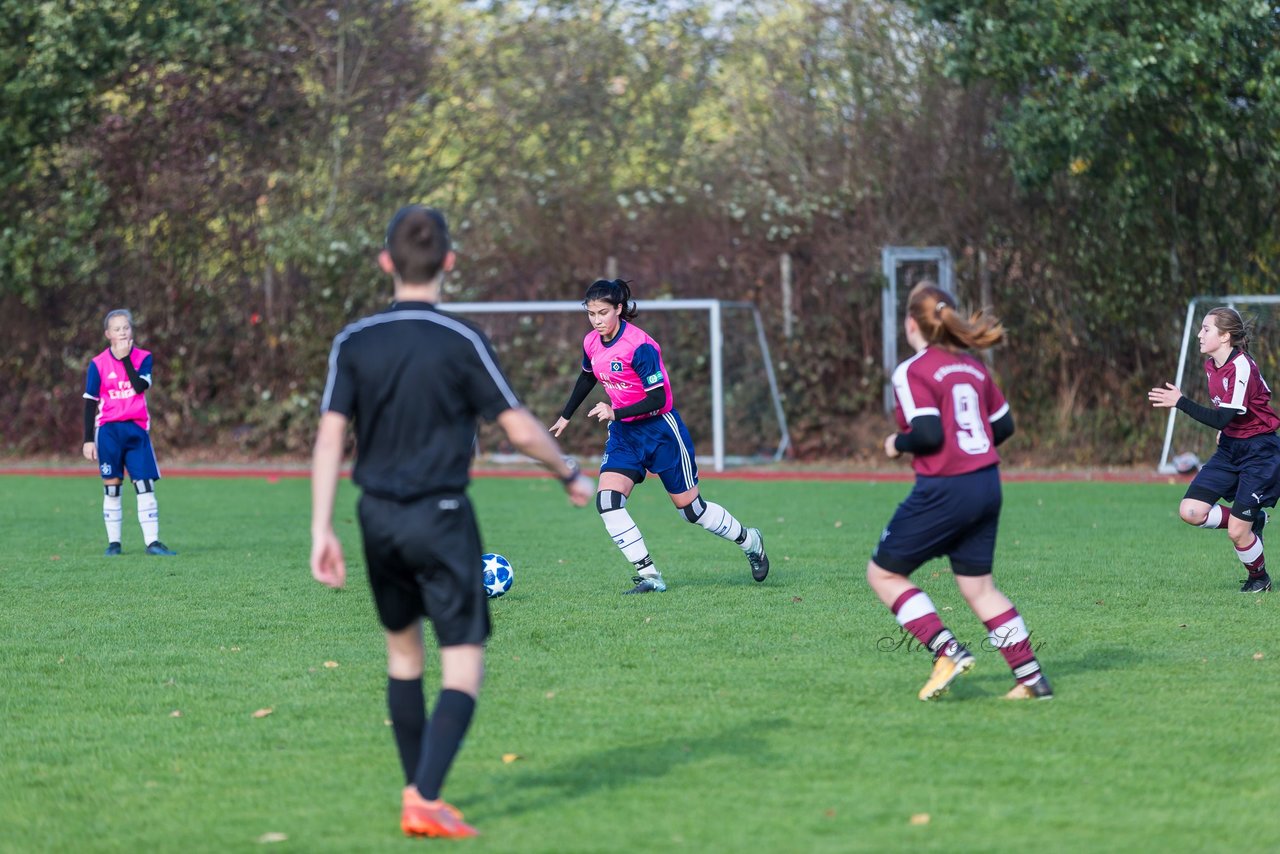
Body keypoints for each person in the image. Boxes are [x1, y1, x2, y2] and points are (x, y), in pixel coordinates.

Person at [310, 205, 594, 839]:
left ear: (386, 262)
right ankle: (425, 796)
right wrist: (569, 473)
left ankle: (419, 796)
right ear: (449, 263)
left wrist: (320, 528)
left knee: (404, 657)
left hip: (375, 517)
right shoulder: (461, 340)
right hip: (440, 517)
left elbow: (331, 438)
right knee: (464, 664)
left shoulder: (354, 341)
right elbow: (519, 428)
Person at [868, 282, 1051, 702]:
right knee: (979, 588)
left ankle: (947, 651)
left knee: (884, 574)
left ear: (911, 323)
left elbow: (928, 433)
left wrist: (897, 443)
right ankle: (1031, 679)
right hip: (986, 483)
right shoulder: (972, 366)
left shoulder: (914, 369)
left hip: (946, 489)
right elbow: (1003, 427)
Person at [548, 278, 769, 594]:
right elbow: (587, 376)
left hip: (661, 431)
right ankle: (650, 575)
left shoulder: (640, 346)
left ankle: (750, 541)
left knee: (692, 510)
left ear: (619, 309)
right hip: (625, 435)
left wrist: (615, 411)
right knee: (608, 501)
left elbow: (659, 400)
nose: (596, 320)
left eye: (602, 312)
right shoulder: (591, 342)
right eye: (591, 313)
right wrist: (566, 415)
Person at [1149, 306, 1279, 593]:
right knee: (1191, 511)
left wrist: (1181, 402)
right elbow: (1230, 414)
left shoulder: (1242, 365)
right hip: (1231, 448)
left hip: (1259, 452)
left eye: (1206, 329)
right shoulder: (1212, 366)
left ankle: (1259, 578)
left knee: (1236, 532)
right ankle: (1253, 519)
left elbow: (1222, 415)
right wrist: (1225, 429)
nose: (1199, 334)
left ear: (1225, 336)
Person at [81, 309, 177, 557]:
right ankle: (114, 543)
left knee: (145, 485)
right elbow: (90, 402)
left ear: (132, 330)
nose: (122, 332)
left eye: (126, 327)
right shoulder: (98, 364)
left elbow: (139, 387)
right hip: (109, 432)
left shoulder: (144, 358)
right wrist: (88, 439)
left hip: (136, 430)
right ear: (107, 334)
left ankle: (153, 543)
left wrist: (125, 360)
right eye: (117, 329)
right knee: (112, 487)